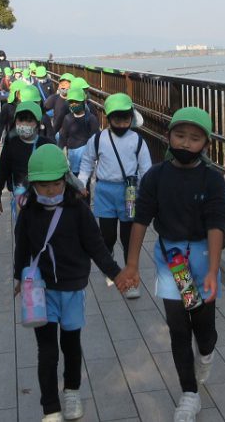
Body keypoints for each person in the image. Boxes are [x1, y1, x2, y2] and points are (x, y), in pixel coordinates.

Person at [115, 107, 225, 422]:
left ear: (206, 144)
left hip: (203, 256)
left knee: (204, 332)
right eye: (180, 136)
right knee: (179, 328)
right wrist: (132, 265)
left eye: (194, 138)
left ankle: (205, 353)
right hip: (171, 259)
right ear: (168, 137)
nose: (186, 143)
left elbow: (216, 225)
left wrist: (212, 271)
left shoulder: (212, 180)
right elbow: (141, 219)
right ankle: (189, 394)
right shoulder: (156, 176)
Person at [14, 145, 128, 421]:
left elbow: (96, 246)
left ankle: (72, 392)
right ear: (33, 184)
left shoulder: (78, 210)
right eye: (44, 185)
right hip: (42, 291)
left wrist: (116, 274)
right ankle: (50, 407)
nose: (51, 190)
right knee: (47, 351)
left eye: (56, 184)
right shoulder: (28, 212)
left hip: (73, 289)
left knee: (71, 345)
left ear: (65, 180)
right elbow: (22, 246)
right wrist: (18, 276)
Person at [77, 93, 152, 299]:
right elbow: (87, 162)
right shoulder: (98, 139)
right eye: (116, 119)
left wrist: (147, 194)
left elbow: (146, 169)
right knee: (107, 236)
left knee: (128, 238)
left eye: (125, 118)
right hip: (105, 191)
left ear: (131, 117)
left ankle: (131, 278)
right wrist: (82, 182)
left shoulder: (137, 141)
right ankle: (110, 265)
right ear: (108, 118)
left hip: (130, 192)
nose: (121, 123)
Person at [0, 101, 55, 217]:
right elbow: (2, 171)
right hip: (20, 196)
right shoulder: (11, 145)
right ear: (15, 121)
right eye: (21, 120)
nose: (24, 124)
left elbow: (60, 171)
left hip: (44, 195)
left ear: (38, 123)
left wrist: (76, 188)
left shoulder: (46, 144)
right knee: (22, 225)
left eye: (29, 121)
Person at [57, 87, 100, 175]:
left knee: (85, 175)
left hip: (86, 153)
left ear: (83, 102)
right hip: (72, 152)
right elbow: (63, 136)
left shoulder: (91, 119)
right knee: (73, 175)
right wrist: (60, 151)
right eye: (71, 102)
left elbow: (95, 138)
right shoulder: (67, 118)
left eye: (77, 102)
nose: (74, 104)